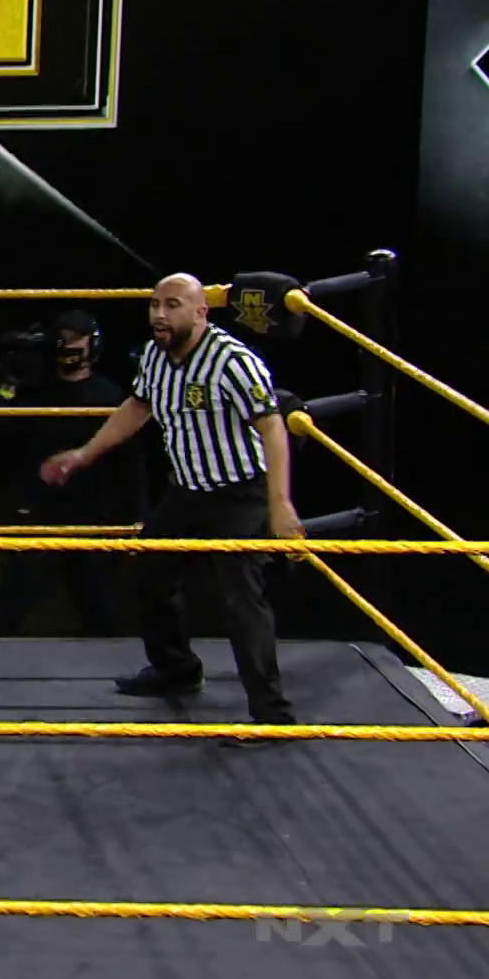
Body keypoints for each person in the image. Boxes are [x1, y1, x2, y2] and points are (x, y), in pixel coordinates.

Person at [41, 273, 305, 745]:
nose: (160, 314)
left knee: (240, 600)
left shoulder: (232, 362)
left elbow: (272, 428)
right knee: (148, 574)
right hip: (187, 491)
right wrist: (84, 454)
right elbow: (137, 407)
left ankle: (272, 715)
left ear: (201, 312)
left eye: (173, 305)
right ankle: (177, 669)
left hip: (239, 493)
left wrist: (280, 504)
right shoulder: (154, 357)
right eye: (155, 305)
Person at [0, 311, 141, 637]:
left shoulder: (111, 398)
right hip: (41, 515)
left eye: (76, 341)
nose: (70, 347)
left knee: (101, 613)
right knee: (8, 609)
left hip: (93, 518)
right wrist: (7, 392)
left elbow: (131, 464)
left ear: (92, 345)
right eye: (64, 340)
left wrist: (136, 520)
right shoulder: (35, 393)